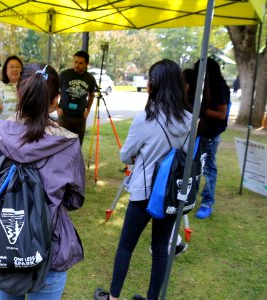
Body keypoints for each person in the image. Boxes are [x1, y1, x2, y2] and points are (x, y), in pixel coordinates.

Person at [94, 59, 192, 300]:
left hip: (144, 191)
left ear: (154, 84)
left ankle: (114, 297)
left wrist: (141, 156)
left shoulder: (146, 117)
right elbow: (188, 156)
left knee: (126, 244)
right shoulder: (190, 119)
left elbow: (125, 155)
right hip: (170, 193)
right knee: (161, 248)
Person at [0, 63, 85, 299]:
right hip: (50, 245)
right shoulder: (68, 143)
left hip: (4, 245)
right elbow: (74, 200)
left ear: (20, 93)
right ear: (56, 99)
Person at [194, 58, 230, 219]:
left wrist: (200, 111)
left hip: (211, 134)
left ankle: (207, 202)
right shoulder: (200, 86)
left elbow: (222, 115)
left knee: (208, 169)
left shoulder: (219, 87)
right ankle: (190, 198)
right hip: (198, 133)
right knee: (193, 167)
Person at [57, 50, 96, 145]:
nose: (77, 65)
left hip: (80, 118)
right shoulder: (64, 74)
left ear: (87, 64)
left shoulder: (90, 79)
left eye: (81, 63)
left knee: (77, 145)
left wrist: (88, 109)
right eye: (75, 62)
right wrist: (57, 107)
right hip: (64, 116)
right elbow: (54, 91)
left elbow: (91, 95)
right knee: (61, 144)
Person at [0, 55, 23, 120]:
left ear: (21, 69)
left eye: (17, 66)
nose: (15, 69)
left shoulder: (26, 85)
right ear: (5, 70)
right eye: (11, 67)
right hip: (5, 126)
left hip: (23, 126)